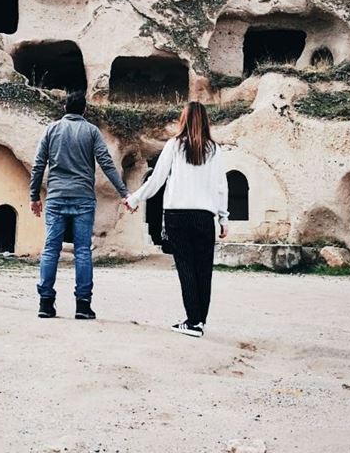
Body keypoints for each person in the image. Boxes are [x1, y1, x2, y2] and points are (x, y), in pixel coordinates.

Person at [125, 101, 228, 338]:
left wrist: (134, 199)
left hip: (177, 216)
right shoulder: (214, 149)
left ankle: (193, 322)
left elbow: (157, 179)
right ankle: (199, 320)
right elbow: (221, 187)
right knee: (204, 270)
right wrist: (224, 219)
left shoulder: (174, 145)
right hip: (205, 217)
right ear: (205, 122)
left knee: (186, 268)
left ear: (184, 120)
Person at [30, 90, 129, 320]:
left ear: (65, 107)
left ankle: (46, 303)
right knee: (83, 251)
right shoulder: (91, 131)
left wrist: (34, 196)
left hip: (55, 197)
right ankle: (83, 306)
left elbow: (38, 165)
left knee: (51, 249)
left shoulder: (52, 130)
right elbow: (107, 163)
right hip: (83, 199)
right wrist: (124, 192)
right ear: (84, 110)